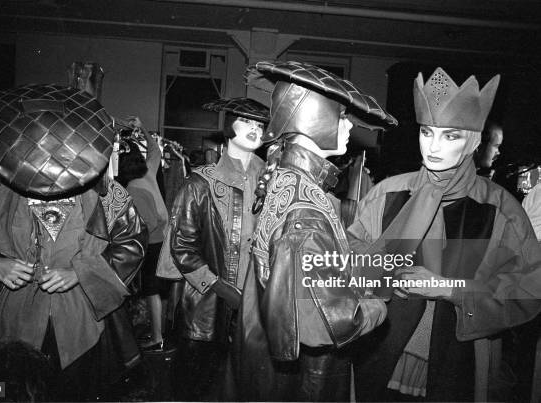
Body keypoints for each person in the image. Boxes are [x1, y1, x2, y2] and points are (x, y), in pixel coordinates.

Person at [0, 84, 147, 400]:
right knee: (1, 391)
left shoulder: (109, 195)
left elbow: (132, 244)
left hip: (82, 326)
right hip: (7, 324)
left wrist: (81, 273)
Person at [348, 67, 541, 401]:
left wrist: (450, 288)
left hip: (458, 362)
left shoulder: (500, 208)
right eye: (427, 132)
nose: (433, 146)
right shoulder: (387, 193)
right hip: (379, 357)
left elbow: (529, 289)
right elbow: (348, 260)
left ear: (474, 140)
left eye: (450, 135)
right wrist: (380, 272)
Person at [239, 60, 396, 401]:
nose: (349, 126)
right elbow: (329, 324)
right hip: (308, 376)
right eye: (341, 116)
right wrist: (379, 303)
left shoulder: (286, 176)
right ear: (315, 120)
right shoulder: (307, 209)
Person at [169, 97, 269, 400]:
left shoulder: (274, 180)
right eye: (247, 121)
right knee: (200, 388)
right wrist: (220, 288)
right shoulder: (200, 183)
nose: (254, 129)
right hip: (207, 308)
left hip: (259, 305)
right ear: (229, 126)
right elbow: (182, 247)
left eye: (260, 124)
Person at [118, 119, 170, 351]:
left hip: (153, 242)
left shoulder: (132, 188)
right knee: (160, 288)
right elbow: (156, 150)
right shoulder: (149, 172)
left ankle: (157, 338)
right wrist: (145, 130)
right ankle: (163, 332)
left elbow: (150, 221)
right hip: (164, 239)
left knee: (151, 290)